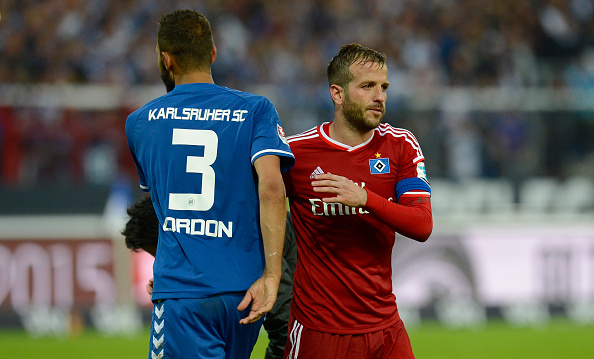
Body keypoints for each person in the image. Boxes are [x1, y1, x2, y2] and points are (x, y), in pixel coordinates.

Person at [125, 9, 294, 359]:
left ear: (166, 59)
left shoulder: (140, 123)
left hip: (185, 293)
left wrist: (170, 273)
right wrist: (272, 276)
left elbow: (165, 206)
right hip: (244, 294)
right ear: (213, 54)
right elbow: (273, 188)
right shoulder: (256, 110)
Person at [282, 44, 433, 359]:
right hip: (319, 330)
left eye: (384, 87)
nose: (380, 96)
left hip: (385, 328)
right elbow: (250, 210)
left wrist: (366, 198)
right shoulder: (296, 154)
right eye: (367, 86)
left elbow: (422, 224)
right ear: (337, 94)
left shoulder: (400, 145)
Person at [122, 193, 297, 359]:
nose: (160, 263)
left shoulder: (246, 238)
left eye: (159, 254)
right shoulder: (217, 227)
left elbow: (284, 325)